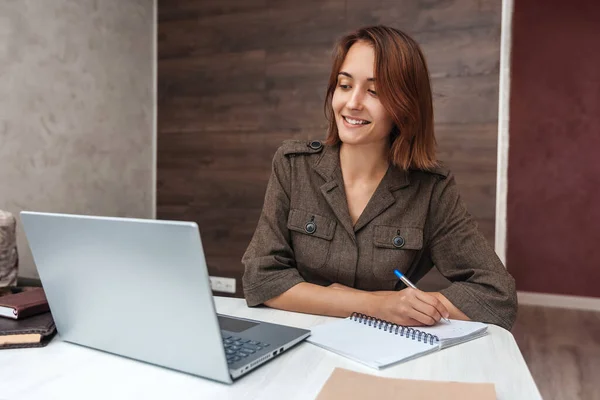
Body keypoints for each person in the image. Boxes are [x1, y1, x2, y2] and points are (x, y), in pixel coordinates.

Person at [241, 25, 517, 331]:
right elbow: (261, 278)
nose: (353, 103)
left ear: (405, 105)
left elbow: (496, 297)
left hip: (383, 349)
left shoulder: (431, 189)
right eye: (345, 86)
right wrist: (376, 304)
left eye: (374, 91)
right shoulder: (294, 166)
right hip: (298, 339)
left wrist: (406, 307)